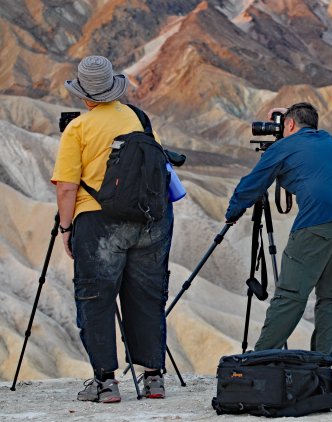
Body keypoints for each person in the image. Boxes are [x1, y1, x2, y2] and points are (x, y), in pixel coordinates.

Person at [51, 56, 173, 402]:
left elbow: (66, 187)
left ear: (84, 95)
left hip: (100, 222)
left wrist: (65, 228)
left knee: (96, 298)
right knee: (147, 296)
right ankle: (153, 379)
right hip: (150, 221)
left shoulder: (78, 129)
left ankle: (106, 384)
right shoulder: (138, 117)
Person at [225, 102, 332, 358]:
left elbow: (252, 185)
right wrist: (288, 118)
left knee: (290, 296)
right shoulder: (327, 139)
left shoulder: (283, 147)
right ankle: (323, 366)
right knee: (331, 297)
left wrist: (232, 212)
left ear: (289, 125)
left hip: (318, 221)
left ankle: (260, 360)